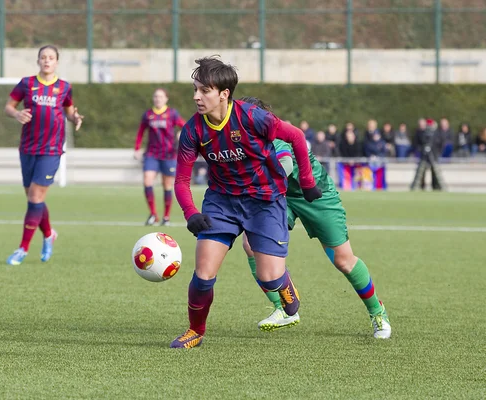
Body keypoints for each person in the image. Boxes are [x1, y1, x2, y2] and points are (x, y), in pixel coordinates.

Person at [170, 56, 322, 349]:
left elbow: (297, 137)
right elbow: (181, 180)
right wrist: (191, 213)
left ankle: (284, 285)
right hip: (222, 201)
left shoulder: (253, 117)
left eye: (203, 90)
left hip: (265, 201)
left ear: (223, 94)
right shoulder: (193, 130)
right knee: (203, 274)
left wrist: (307, 183)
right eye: (195, 89)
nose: (196, 96)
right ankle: (195, 331)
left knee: (269, 277)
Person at [238, 97, 391, 340]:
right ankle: (284, 308)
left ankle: (377, 312)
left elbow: (285, 165)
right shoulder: (240, 141)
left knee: (343, 260)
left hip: (316, 196)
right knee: (250, 244)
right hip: (281, 197)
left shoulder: (275, 135)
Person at [3, 45, 83, 265]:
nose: (47, 61)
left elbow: (69, 111)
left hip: (51, 149)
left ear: (57, 62)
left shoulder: (64, 87)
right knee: (33, 197)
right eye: (43, 57)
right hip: (28, 148)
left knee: (35, 198)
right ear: (38, 61)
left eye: (51, 58)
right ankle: (49, 234)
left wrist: (75, 118)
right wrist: (17, 113)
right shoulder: (27, 84)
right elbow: (8, 107)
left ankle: (23, 249)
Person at [134, 88, 185, 226]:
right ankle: (153, 214)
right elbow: (140, 132)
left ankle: (166, 217)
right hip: (152, 154)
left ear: (166, 99)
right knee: (147, 181)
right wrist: (137, 148)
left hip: (168, 155)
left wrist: (182, 134)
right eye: (156, 96)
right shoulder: (148, 115)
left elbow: (185, 126)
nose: (158, 99)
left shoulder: (172, 114)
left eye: (161, 97)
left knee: (167, 185)